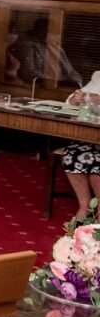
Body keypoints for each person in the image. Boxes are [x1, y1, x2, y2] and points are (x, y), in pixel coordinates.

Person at [61, 72, 100, 220]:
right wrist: (74, 99)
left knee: (97, 166)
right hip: (93, 137)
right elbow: (69, 100)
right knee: (72, 155)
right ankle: (85, 207)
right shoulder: (98, 76)